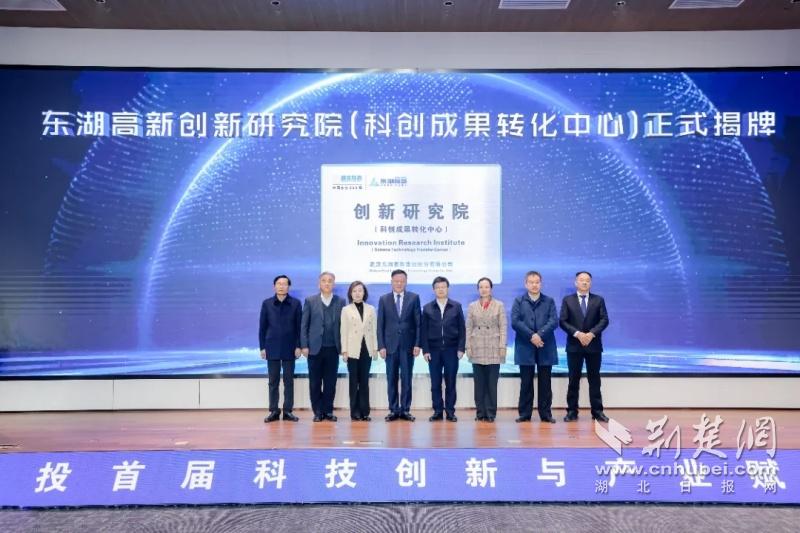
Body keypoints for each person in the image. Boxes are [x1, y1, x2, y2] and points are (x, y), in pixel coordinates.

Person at [560, 271, 610, 423]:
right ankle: (572, 411)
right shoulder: (567, 300)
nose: (584, 282)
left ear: (591, 283)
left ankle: (597, 412)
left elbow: (604, 320)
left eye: (587, 280)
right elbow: (563, 321)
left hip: (593, 346)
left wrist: (591, 334)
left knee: (594, 380)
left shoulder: (598, 300)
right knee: (573, 380)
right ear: (576, 282)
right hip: (574, 346)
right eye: (581, 280)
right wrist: (578, 334)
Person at [511, 271, 558, 424]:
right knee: (526, 382)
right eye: (531, 282)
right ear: (526, 284)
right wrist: (532, 335)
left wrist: (540, 335)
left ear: (541, 284)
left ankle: (546, 414)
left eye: (537, 282)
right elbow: (515, 322)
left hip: (545, 345)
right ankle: (525, 414)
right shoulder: (519, 301)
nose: (534, 285)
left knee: (545, 383)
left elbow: (553, 321)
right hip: (525, 346)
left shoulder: (549, 301)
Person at [377, 269, 421, 422]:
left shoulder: (414, 298)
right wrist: (381, 346)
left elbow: (418, 323)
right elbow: (380, 324)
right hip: (390, 346)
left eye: (402, 281)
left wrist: (417, 344)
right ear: (391, 282)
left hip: (408, 346)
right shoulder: (384, 299)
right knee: (391, 379)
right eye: (396, 281)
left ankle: (405, 410)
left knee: (407, 379)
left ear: (406, 282)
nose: (399, 283)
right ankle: (394, 409)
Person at [301, 272, 345, 422]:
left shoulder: (340, 301)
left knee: (330, 382)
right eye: (324, 281)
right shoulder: (310, 301)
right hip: (314, 348)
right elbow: (304, 325)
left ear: (334, 284)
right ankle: (318, 412)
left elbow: (343, 326)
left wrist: (344, 347)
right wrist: (304, 345)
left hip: (333, 348)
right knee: (315, 382)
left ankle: (328, 411)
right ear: (319, 284)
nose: (327, 283)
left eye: (330, 281)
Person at [421, 276, 466, 422]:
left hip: (451, 350)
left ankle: (450, 412)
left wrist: (461, 348)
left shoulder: (456, 306)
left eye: (443, 287)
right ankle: (437, 411)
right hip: (433, 350)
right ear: (434, 290)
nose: (440, 289)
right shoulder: (427, 308)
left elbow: (462, 329)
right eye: (438, 287)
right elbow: (423, 331)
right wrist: (425, 350)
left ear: (448, 288)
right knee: (435, 383)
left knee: (450, 382)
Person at [258, 274, 302, 423]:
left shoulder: (296, 304)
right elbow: (262, 327)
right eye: (279, 283)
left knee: (289, 381)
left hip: (290, 347)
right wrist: (262, 347)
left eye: (284, 284)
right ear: (274, 286)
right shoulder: (267, 303)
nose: (281, 286)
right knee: (273, 381)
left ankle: (288, 411)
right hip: (272, 347)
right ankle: (274, 411)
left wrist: (298, 346)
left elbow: (299, 327)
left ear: (289, 287)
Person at [465, 277, 507, 423]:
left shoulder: (499, 305)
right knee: (479, 383)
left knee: (491, 384)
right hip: (477, 347)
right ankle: (480, 412)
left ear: (491, 289)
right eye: (481, 287)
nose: (484, 289)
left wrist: (502, 346)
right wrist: (468, 346)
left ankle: (490, 413)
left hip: (494, 347)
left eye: (487, 287)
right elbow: (468, 327)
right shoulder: (472, 306)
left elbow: (503, 327)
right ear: (478, 289)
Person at [340, 281, 378, 421]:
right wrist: (344, 350)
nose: (357, 293)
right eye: (354, 291)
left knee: (364, 381)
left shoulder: (371, 309)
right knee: (353, 381)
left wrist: (375, 348)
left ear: (364, 293)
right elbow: (343, 331)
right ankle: (354, 412)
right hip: (352, 350)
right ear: (350, 293)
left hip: (366, 349)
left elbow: (374, 330)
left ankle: (365, 412)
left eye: (360, 290)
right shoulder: (346, 310)